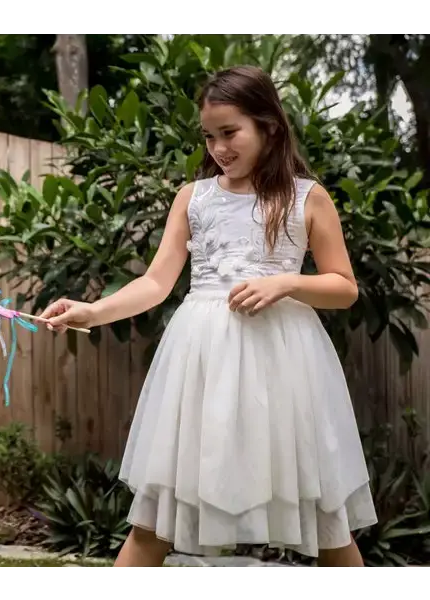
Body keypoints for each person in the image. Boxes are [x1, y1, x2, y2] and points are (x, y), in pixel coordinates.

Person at [39, 65, 377, 568]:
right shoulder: (193, 199)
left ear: (269, 126)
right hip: (202, 367)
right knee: (154, 519)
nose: (218, 147)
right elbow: (155, 283)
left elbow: (344, 288)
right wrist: (93, 310)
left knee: (327, 519)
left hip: (284, 371)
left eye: (230, 132)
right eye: (209, 136)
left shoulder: (307, 197)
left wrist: (286, 283)